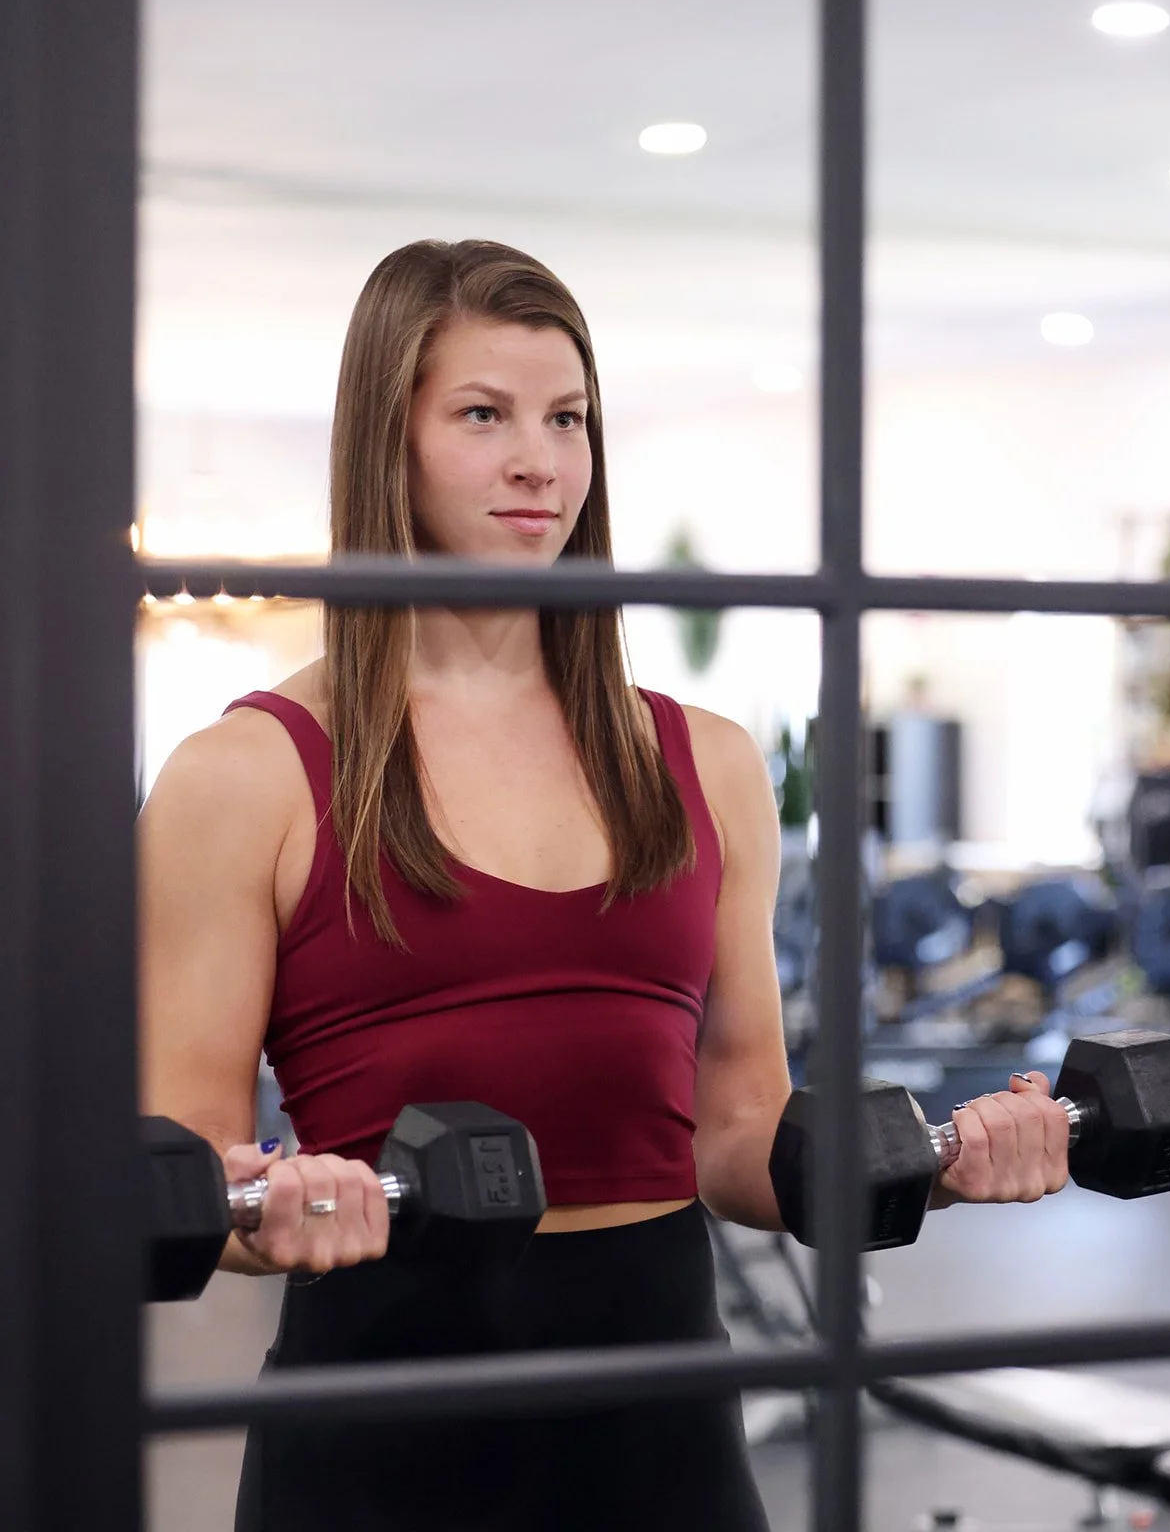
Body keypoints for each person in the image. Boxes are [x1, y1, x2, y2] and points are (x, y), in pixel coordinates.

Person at [139, 239, 1071, 1532]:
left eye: (567, 418)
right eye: (483, 416)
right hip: (378, 1433)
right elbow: (180, 1169)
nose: (541, 461)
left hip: (665, 1429)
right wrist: (273, 1205)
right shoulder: (246, 777)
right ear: (385, 444)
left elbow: (739, 1134)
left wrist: (937, 1164)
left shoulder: (707, 764)